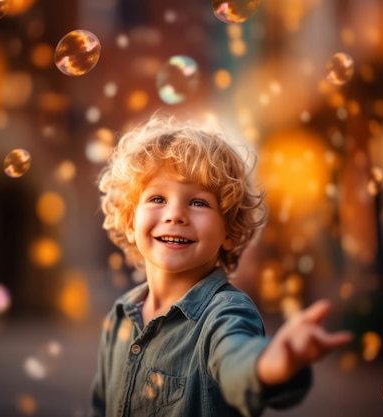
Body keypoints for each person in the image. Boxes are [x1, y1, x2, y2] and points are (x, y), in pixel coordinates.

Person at [91, 114, 352, 417]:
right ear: (129, 220)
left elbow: (235, 359)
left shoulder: (225, 313)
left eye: (198, 203)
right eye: (157, 198)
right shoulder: (120, 316)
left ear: (229, 231)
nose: (175, 215)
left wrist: (270, 362)